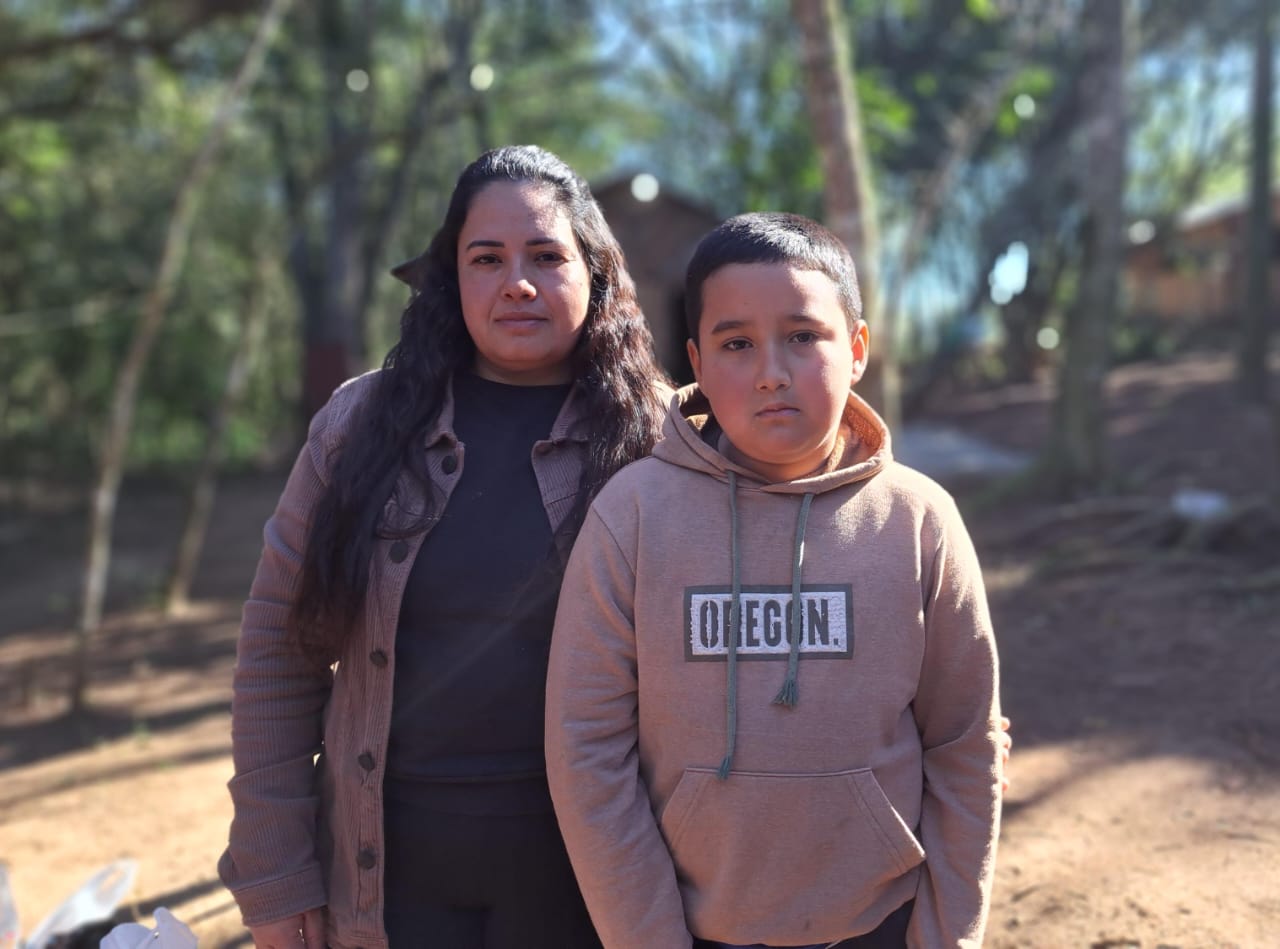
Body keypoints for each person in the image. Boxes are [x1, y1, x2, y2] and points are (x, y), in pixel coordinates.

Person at [217, 144, 670, 949]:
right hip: (389, 879)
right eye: (486, 258)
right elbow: (277, 652)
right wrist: (273, 871)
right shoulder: (360, 427)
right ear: (450, 279)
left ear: (595, 273)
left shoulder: (663, 442)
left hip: (596, 885)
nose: (517, 282)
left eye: (546, 256)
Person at [545, 212, 1003, 948]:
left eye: (802, 336)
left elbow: (964, 744)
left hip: (881, 924)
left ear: (856, 348)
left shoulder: (920, 520)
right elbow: (587, 749)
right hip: (691, 931)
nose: (771, 371)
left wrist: (947, 936)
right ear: (696, 357)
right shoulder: (632, 516)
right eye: (736, 343)